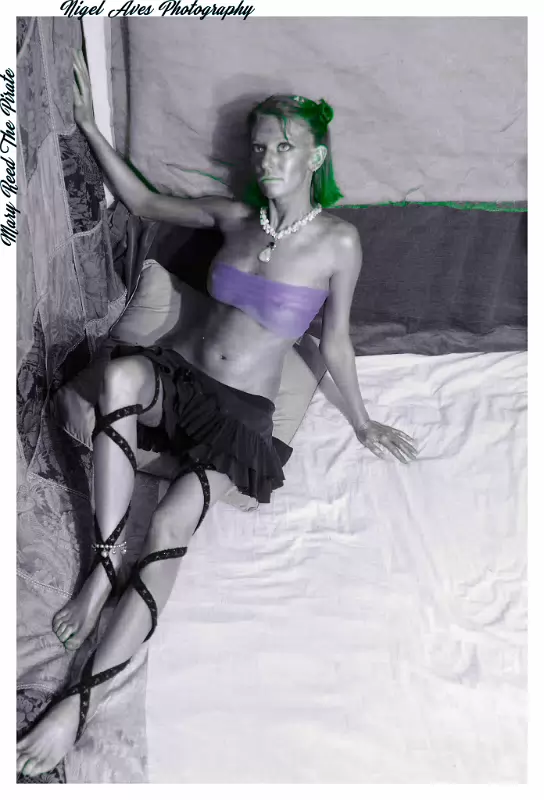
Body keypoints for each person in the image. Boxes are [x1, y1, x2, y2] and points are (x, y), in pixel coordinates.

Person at [17, 49, 417, 777]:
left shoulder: (339, 242)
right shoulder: (235, 219)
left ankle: (77, 706)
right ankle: (102, 566)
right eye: (259, 147)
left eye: (284, 147)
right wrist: (88, 125)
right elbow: (143, 205)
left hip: (239, 421)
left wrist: (362, 423)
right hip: (181, 381)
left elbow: (335, 341)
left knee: (171, 525)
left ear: (315, 157)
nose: (268, 159)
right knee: (123, 373)